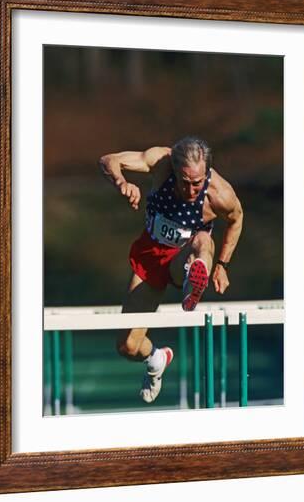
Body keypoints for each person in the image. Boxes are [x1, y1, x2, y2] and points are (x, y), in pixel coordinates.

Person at [99, 136, 243, 403]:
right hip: (151, 256)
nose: (191, 190)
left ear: (206, 174)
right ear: (175, 171)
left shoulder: (220, 194)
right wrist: (122, 183)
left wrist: (222, 265)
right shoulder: (161, 162)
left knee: (202, 241)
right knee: (127, 346)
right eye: (185, 182)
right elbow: (109, 160)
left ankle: (193, 279)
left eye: (197, 183)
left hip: (184, 257)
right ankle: (157, 358)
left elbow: (237, 218)